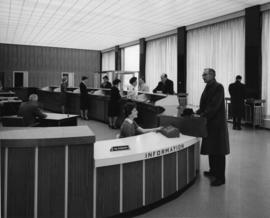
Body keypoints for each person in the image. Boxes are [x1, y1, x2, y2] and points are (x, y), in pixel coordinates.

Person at [196, 68, 230, 186]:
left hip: (217, 125)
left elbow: (213, 107)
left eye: (204, 74)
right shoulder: (208, 87)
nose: (202, 76)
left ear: (212, 75)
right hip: (210, 124)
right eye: (203, 74)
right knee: (211, 149)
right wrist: (196, 112)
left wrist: (202, 115)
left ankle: (220, 178)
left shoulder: (218, 87)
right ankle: (213, 172)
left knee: (219, 151)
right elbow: (204, 105)